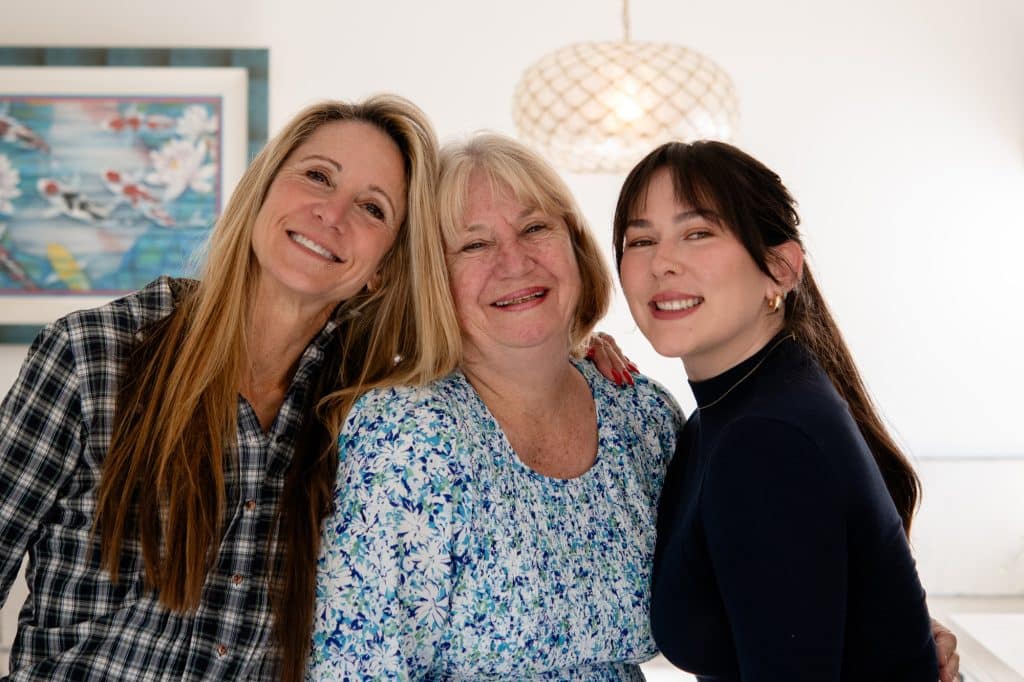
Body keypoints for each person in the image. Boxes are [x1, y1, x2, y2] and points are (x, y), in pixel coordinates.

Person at [0, 95, 461, 681]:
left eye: (372, 208)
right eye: (318, 176)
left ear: (383, 268)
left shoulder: (373, 421)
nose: (332, 213)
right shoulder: (92, 354)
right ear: (261, 190)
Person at [307, 133, 682, 680]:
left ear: (576, 246)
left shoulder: (644, 419)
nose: (515, 262)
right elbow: (358, 668)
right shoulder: (408, 435)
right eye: (474, 245)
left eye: (535, 229)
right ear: (434, 278)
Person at [613, 140, 941, 680]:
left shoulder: (765, 439)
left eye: (698, 233)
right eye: (641, 240)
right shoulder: (726, 416)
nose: (661, 263)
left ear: (781, 269)